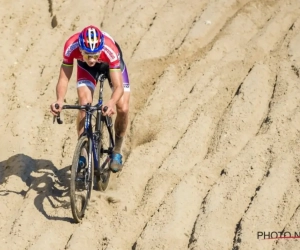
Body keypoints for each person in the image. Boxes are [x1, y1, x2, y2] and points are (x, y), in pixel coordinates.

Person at [50, 25, 130, 172]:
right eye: (87, 54)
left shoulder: (110, 49)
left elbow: (118, 87)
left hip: (110, 65)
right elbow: (63, 78)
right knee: (84, 104)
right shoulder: (71, 46)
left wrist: (111, 102)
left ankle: (117, 151)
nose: (92, 59)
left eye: (95, 54)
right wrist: (60, 99)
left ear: (101, 48)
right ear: (80, 49)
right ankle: (83, 153)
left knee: (123, 107)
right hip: (86, 70)